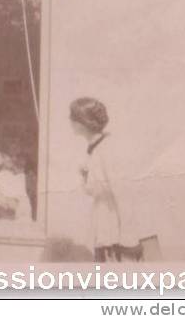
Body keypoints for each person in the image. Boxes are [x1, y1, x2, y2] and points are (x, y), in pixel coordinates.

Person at [69, 97, 142, 262]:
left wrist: (128, 238)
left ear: (82, 122)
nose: (70, 121)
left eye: (72, 117)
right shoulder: (95, 149)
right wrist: (85, 175)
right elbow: (94, 190)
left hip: (114, 234)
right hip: (101, 229)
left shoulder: (107, 149)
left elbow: (122, 191)